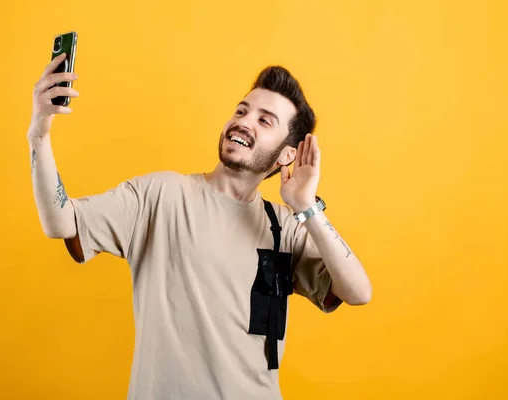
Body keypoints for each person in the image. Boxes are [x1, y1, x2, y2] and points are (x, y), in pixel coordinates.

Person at [27, 53, 372, 400]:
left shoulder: (285, 225)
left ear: (286, 156)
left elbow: (358, 293)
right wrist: (39, 133)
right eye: (241, 111)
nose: (244, 122)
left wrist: (306, 206)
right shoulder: (161, 195)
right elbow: (61, 221)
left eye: (265, 121)